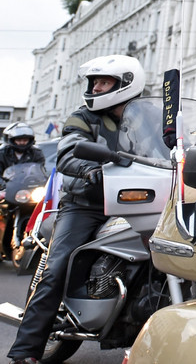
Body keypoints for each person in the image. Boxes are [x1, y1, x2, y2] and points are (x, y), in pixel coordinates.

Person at [7, 55, 144, 364]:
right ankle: (26, 351)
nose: (96, 88)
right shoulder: (83, 117)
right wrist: (89, 169)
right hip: (86, 205)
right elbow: (68, 154)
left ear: (125, 84)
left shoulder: (145, 120)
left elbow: (168, 148)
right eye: (94, 82)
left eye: (103, 82)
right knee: (57, 270)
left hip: (136, 201)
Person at [0, 123, 45, 260]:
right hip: (7, 190)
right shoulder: (2, 153)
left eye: (25, 139)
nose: (22, 142)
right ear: (11, 140)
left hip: (26, 192)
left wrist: (42, 184)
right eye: (19, 139)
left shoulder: (36, 153)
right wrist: (2, 187)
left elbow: (41, 172)